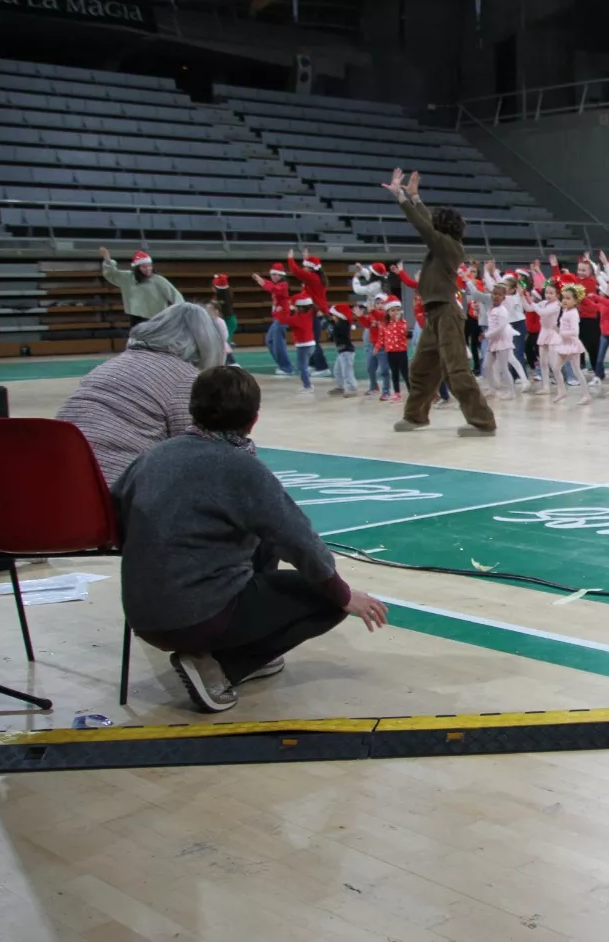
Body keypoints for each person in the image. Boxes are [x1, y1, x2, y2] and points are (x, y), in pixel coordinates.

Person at [113, 366, 388, 713]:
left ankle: (239, 650)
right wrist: (345, 595)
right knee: (328, 599)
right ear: (254, 420)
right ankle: (221, 668)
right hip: (197, 616)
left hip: (141, 614)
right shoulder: (243, 468)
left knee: (264, 540)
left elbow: (117, 515)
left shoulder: (152, 456)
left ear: (192, 409)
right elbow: (301, 543)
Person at [56, 303, 226, 485]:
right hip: (115, 487)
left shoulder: (110, 365)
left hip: (59, 476)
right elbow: (198, 448)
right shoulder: (185, 378)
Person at [381, 169, 497, 436]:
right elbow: (427, 224)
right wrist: (415, 197)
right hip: (435, 314)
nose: (431, 221)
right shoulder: (441, 244)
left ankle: (483, 422)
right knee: (421, 369)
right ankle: (416, 416)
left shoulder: (450, 247)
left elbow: (424, 226)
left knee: (456, 370)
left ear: (442, 226)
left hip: (447, 313)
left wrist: (401, 198)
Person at [99, 247, 181, 328]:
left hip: (157, 318)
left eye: (149, 266)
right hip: (137, 317)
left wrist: (181, 311)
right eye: (144, 267)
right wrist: (108, 260)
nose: (148, 269)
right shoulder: (128, 277)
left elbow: (175, 295)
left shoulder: (158, 280)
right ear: (138, 268)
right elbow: (112, 274)